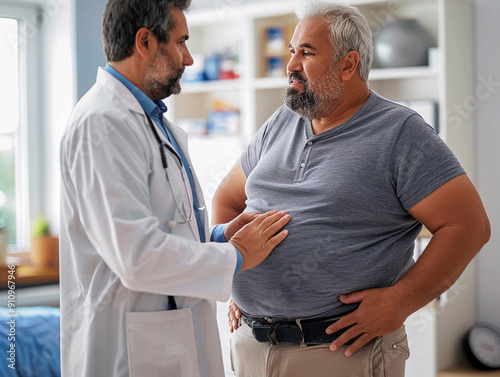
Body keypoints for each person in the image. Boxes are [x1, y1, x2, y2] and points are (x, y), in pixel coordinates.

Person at [213, 1, 491, 376]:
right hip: (249, 344)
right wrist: (231, 271)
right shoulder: (281, 122)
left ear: (348, 64)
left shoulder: (401, 133)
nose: (291, 64)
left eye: (306, 53)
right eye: (292, 51)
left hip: (340, 352)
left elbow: (469, 226)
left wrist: (401, 301)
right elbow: (227, 199)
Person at [58, 1, 291, 376]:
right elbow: (136, 256)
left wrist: (218, 236)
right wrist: (235, 256)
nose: (189, 59)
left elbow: (166, 226)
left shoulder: (149, 119)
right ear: (145, 42)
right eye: (181, 43)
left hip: (168, 337)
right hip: (126, 349)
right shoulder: (101, 124)